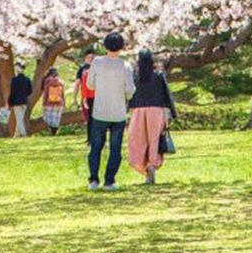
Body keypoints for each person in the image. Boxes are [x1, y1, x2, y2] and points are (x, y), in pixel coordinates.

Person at [86, 32, 135, 191]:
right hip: (118, 112)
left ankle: (93, 180)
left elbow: (90, 85)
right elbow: (129, 90)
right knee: (115, 148)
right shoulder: (125, 66)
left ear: (105, 46)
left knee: (96, 147)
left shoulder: (97, 62)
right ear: (121, 47)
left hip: (100, 110)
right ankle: (109, 180)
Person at [128, 49, 178, 184]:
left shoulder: (135, 76)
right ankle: (152, 164)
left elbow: (129, 95)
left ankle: (143, 167)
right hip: (157, 111)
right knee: (154, 140)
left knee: (138, 140)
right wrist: (171, 114)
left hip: (139, 111)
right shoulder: (158, 75)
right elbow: (166, 95)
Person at [73, 48, 96, 145]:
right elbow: (77, 83)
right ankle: (90, 138)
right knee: (89, 118)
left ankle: (96, 138)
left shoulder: (98, 68)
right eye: (89, 57)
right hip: (87, 96)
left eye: (93, 57)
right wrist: (75, 96)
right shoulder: (82, 69)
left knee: (97, 118)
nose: (91, 59)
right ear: (85, 58)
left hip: (97, 96)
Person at [7, 62, 32, 137]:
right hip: (24, 101)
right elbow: (30, 91)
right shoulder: (27, 79)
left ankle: (23, 134)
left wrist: (9, 102)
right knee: (20, 118)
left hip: (16, 102)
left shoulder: (14, 80)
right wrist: (24, 96)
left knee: (19, 118)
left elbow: (12, 92)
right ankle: (16, 135)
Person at [40, 67, 66, 135]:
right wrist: (64, 103)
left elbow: (45, 93)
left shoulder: (47, 81)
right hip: (59, 102)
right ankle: (55, 132)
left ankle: (52, 131)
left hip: (49, 102)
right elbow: (63, 94)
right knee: (56, 118)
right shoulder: (61, 82)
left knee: (48, 118)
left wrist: (44, 102)